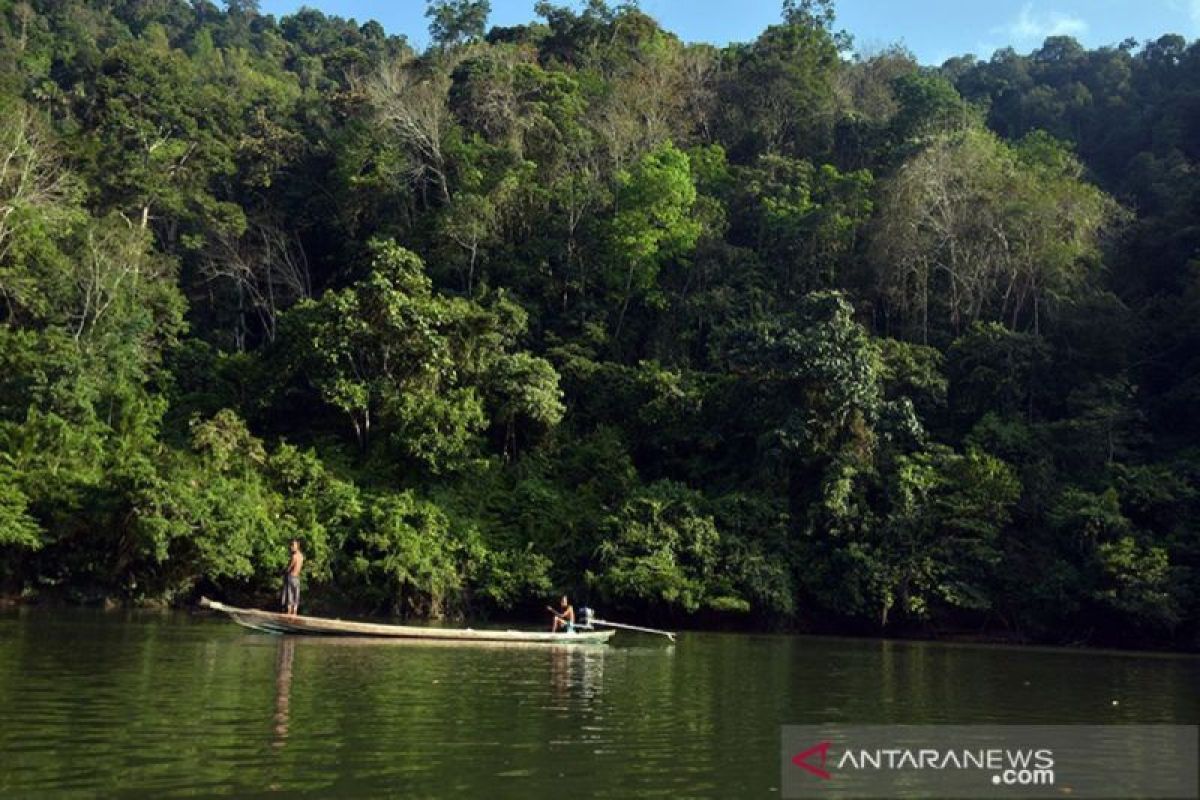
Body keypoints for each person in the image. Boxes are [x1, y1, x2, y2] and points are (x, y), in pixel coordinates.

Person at [281, 540, 304, 616]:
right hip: (297, 577)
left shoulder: (294, 556)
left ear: (297, 546)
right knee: (296, 594)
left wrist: (285, 571)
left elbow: (291, 567)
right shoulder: (301, 556)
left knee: (290, 594)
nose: (291, 547)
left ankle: (290, 612)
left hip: (292, 576)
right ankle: (294, 612)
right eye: (291, 546)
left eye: (293, 546)